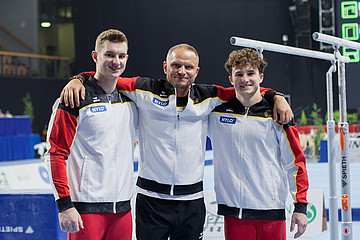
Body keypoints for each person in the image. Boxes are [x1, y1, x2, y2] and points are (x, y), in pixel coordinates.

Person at [60, 43, 293, 240]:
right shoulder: (144, 89)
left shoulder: (210, 96)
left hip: (191, 204)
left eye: (188, 67)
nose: (182, 71)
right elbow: (108, 75)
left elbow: (246, 88)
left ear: (197, 71)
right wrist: (78, 78)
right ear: (165, 67)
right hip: (151, 202)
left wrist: (276, 96)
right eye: (176, 65)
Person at [44, 29, 138, 240]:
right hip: (86, 209)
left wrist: (79, 77)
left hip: (122, 209)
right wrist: (64, 206)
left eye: (121, 56)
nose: (116, 61)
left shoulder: (132, 99)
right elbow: (55, 153)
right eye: (109, 55)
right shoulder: (73, 99)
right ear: (95, 56)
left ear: (127, 58)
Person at [208, 48, 309, 239]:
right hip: (234, 213)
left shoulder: (279, 115)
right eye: (239, 74)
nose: (245, 79)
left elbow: (295, 163)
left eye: (250, 73)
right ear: (231, 79)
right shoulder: (216, 113)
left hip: (270, 212)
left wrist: (301, 206)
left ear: (261, 77)